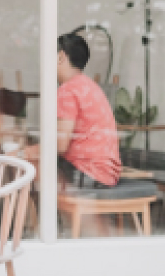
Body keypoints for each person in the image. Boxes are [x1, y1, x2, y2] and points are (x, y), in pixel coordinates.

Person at [21, 33, 121, 189]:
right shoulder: (89, 86)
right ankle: (48, 213)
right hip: (105, 173)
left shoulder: (67, 90)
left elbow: (59, 145)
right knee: (31, 164)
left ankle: (38, 213)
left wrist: (22, 153)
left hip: (87, 173)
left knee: (20, 167)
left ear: (60, 56)